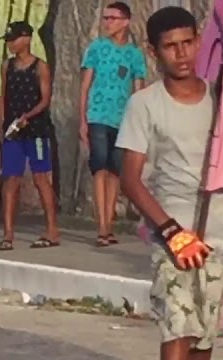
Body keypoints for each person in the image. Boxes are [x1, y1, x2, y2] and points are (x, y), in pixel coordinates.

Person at [117, 6, 223, 360]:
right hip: (174, 233)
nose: (181, 54)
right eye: (170, 46)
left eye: (188, 43)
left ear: (199, 41)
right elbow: (130, 178)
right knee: (177, 328)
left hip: (220, 229)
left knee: (204, 335)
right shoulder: (144, 105)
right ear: (154, 51)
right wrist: (170, 231)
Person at [80, 1, 147, 247]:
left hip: (123, 120)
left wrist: (139, 123)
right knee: (99, 167)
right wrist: (82, 119)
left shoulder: (134, 55)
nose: (107, 22)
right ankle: (102, 226)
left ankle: (109, 223)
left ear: (125, 22)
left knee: (115, 172)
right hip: (97, 116)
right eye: (105, 18)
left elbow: (138, 91)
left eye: (113, 18)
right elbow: (85, 85)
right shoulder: (96, 48)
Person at [0, 20, 60, 250]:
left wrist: (27, 116)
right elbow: (3, 95)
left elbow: (45, 99)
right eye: (9, 41)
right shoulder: (7, 66)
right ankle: (8, 234)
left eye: (14, 40)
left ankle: (52, 230)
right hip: (13, 131)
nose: (11, 44)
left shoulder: (40, 67)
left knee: (40, 178)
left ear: (27, 39)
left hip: (36, 130)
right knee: (10, 179)